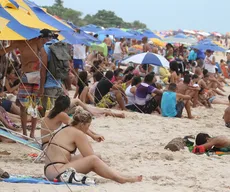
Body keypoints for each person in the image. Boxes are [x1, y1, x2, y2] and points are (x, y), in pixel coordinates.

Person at [44, 106, 142, 184]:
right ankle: (120, 178)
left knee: (97, 156)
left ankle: (118, 174)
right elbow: (90, 156)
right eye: (88, 126)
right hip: (57, 171)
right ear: (82, 125)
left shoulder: (67, 128)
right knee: (94, 159)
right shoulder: (78, 133)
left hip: (51, 169)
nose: (88, 129)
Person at [0, 30, 46, 138]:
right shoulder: (18, 42)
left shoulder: (37, 41)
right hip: (25, 76)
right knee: (23, 106)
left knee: (34, 105)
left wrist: (43, 84)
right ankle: (25, 132)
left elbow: (44, 58)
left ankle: (32, 132)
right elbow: (3, 51)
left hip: (36, 75)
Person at [39, 29, 65, 117]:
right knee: (57, 111)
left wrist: (41, 87)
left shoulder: (45, 48)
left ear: (42, 37)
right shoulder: (59, 46)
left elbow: (43, 69)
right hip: (58, 83)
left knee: (47, 114)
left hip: (48, 85)